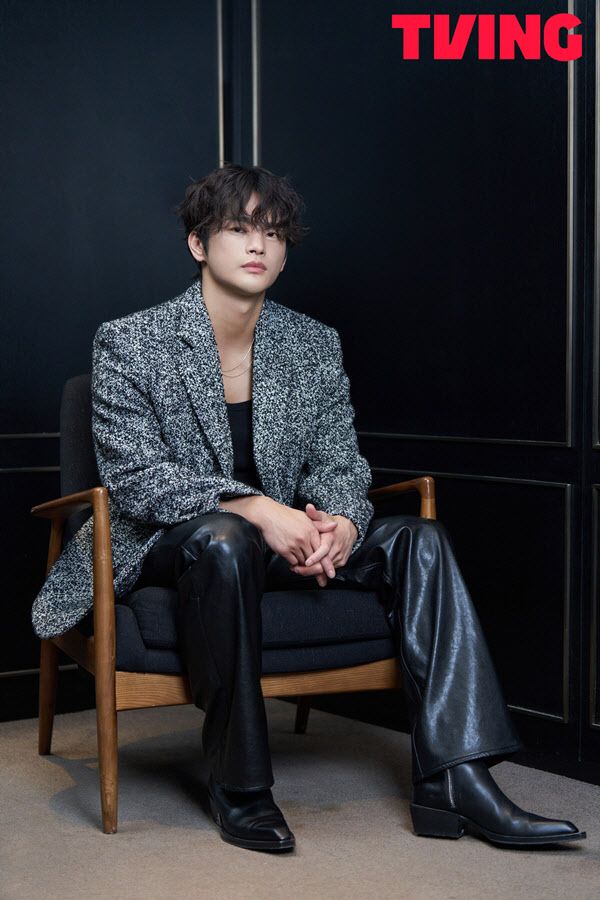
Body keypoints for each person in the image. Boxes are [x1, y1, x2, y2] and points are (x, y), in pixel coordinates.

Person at [94, 164, 585, 853]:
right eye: (238, 228)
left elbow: (339, 461)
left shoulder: (312, 343)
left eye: (273, 233)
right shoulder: (131, 340)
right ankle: (240, 786)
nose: (258, 244)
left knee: (418, 539)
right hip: (176, 546)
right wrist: (258, 508)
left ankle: (458, 782)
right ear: (198, 245)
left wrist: (344, 522)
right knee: (227, 537)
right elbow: (136, 477)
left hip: (285, 541)